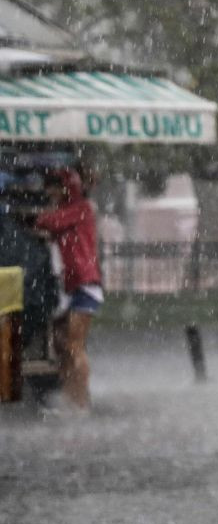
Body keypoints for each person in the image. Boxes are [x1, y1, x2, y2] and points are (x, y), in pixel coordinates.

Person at [34, 167, 102, 410]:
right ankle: (69, 395)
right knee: (61, 345)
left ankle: (81, 401)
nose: (49, 193)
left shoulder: (81, 209)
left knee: (74, 345)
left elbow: (48, 221)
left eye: (52, 187)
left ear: (64, 187)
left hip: (84, 283)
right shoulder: (69, 210)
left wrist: (41, 219)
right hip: (69, 286)